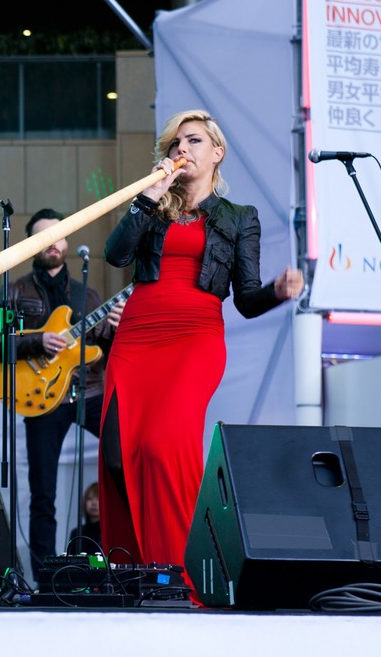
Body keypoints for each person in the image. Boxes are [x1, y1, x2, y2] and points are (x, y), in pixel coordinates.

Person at [99, 110, 303, 581]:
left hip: (194, 335)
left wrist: (276, 290)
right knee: (115, 455)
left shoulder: (238, 218)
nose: (181, 150)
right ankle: (134, 571)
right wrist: (147, 200)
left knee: (163, 445)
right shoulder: (151, 208)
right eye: (173, 144)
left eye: (192, 140)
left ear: (217, 152)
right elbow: (115, 255)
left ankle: (183, 568)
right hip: (137, 334)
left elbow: (247, 300)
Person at [0, 208, 123, 580]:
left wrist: (117, 327)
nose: (52, 244)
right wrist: (36, 341)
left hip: (88, 392)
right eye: (42, 238)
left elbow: (106, 346)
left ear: (67, 242)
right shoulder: (15, 291)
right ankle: (44, 579)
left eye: (57, 236)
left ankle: (120, 563)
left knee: (122, 465)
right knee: (43, 496)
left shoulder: (85, 293)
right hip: (40, 399)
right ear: (30, 245)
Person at [66, 482, 101, 555]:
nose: (94, 503)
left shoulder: (108, 533)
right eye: (90, 499)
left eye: (98, 499)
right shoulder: (76, 533)